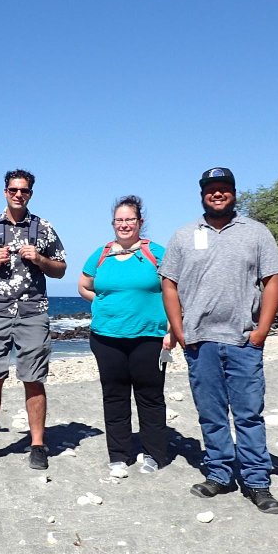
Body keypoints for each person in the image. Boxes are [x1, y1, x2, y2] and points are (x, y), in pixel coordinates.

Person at [160, 167, 278, 513]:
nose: (217, 194)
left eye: (223, 189)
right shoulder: (185, 235)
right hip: (199, 341)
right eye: (210, 189)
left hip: (243, 340)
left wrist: (262, 329)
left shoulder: (256, 233)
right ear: (202, 194)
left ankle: (258, 482)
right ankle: (219, 473)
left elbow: (273, 279)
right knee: (211, 414)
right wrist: (180, 329)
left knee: (249, 415)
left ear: (233, 192)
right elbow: (168, 283)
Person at [0, 169, 66, 470]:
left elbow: (60, 268)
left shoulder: (43, 228)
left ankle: (37, 444)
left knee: (33, 379)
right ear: (5, 192)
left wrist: (40, 259)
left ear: (31, 193)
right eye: (13, 190)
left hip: (32, 312)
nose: (18, 195)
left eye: (24, 190)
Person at [78, 195, 170, 478]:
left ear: (140, 222)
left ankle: (154, 454)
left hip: (150, 336)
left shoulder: (157, 252)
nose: (124, 224)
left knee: (150, 397)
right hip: (106, 337)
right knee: (114, 396)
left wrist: (171, 330)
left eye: (130, 219)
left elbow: (174, 291)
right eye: (119, 220)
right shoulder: (102, 253)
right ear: (113, 223)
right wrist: (101, 302)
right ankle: (119, 455)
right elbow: (84, 285)